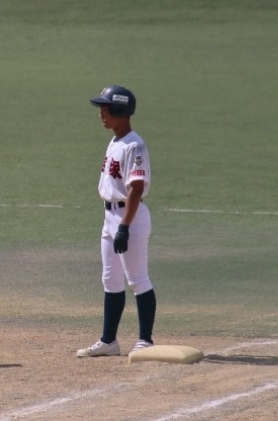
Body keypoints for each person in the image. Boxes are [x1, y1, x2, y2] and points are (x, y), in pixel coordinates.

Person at [77, 85, 156, 357]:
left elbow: (135, 188)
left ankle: (145, 340)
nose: (101, 114)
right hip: (110, 217)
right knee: (110, 279)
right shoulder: (115, 142)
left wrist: (124, 226)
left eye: (106, 109)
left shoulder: (134, 145)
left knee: (138, 279)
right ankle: (109, 341)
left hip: (129, 218)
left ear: (120, 111)